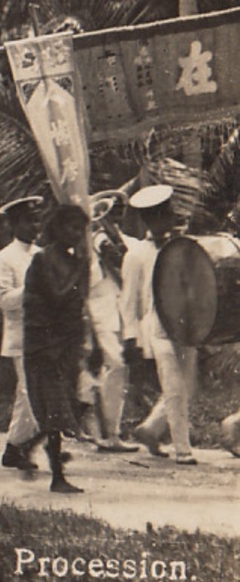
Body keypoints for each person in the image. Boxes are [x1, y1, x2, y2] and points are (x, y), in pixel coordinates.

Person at [124, 185, 200, 464]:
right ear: (148, 220)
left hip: (186, 326)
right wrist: (130, 337)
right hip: (158, 327)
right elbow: (129, 300)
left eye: (168, 214)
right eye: (162, 216)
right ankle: (183, 449)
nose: (169, 220)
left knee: (188, 386)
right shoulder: (136, 254)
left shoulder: (180, 247)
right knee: (174, 386)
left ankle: (150, 430)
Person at [22, 203, 92, 494]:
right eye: (72, 227)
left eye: (81, 229)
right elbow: (57, 295)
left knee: (68, 407)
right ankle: (57, 476)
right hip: (44, 344)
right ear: (58, 228)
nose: (76, 234)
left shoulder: (71, 260)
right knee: (55, 410)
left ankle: (27, 447)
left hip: (65, 343)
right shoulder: (43, 259)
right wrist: (81, 271)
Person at [81, 189, 141, 453]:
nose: (114, 216)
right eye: (109, 212)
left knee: (118, 368)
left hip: (120, 311)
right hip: (98, 311)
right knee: (114, 364)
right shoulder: (90, 241)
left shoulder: (126, 240)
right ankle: (105, 431)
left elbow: (130, 266)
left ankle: (108, 430)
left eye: (119, 211)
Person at [0, 195, 45, 470]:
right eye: (28, 221)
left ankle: (17, 446)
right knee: (28, 391)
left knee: (31, 392)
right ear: (14, 224)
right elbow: (3, 299)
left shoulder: (42, 255)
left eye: (37, 219)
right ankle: (16, 446)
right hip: (20, 335)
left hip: (44, 334)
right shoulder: (3, 258)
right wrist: (32, 289)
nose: (34, 226)